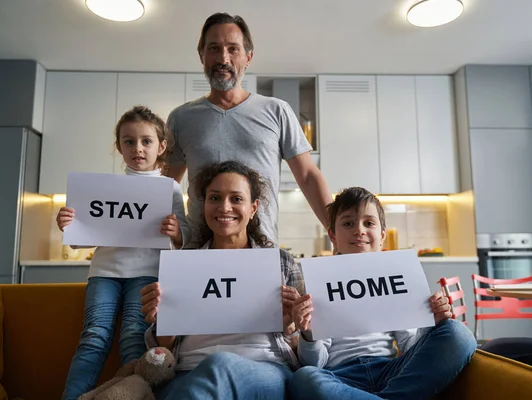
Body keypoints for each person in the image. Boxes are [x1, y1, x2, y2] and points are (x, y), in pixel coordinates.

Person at [290, 187, 477, 400]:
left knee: (459, 333)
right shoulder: (318, 282)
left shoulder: (395, 274)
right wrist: (309, 334)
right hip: (340, 376)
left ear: (382, 235)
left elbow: (409, 346)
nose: (359, 230)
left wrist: (429, 322)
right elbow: (315, 363)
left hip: (392, 372)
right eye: (348, 223)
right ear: (332, 235)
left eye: (368, 223)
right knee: (304, 378)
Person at [140, 161, 304, 399]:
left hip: (265, 369)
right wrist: (164, 321)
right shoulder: (182, 265)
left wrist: (291, 326)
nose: (224, 207)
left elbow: (309, 350)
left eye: (236, 199)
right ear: (204, 205)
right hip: (189, 371)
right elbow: (164, 348)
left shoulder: (281, 263)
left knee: (220, 365)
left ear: (253, 208)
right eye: (214, 198)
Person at [57, 106, 190, 400]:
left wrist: (176, 231)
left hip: (147, 274)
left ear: (162, 147)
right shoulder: (102, 188)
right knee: (93, 338)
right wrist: (69, 223)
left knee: (134, 338)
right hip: (104, 272)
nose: (138, 148)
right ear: (119, 146)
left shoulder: (170, 189)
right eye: (129, 141)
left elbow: (185, 239)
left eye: (146, 141)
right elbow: (80, 241)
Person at [166, 12, 332, 246]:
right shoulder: (181, 118)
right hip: (198, 253)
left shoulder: (277, 111)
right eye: (214, 48)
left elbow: (308, 176)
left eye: (233, 49)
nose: (223, 58)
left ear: (248, 57)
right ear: (202, 56)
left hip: (262, 249)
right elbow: (165, 186)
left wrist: (334, 230)